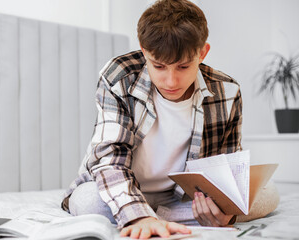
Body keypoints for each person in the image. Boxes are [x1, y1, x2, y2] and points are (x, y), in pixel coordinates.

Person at [62, 0, 279, 238]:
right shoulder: (118, 77)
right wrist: (137, 213)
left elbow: (227, 170)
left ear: (202, 53)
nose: (171, 81)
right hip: (119, 186)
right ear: (144, 51)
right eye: (159, 66)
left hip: (181, 198)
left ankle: (161, 217)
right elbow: (110, 160)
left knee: (268, 195)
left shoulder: (227, 91)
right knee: (89, 202)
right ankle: (145, 217)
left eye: (183, 66)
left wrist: (224, 208)